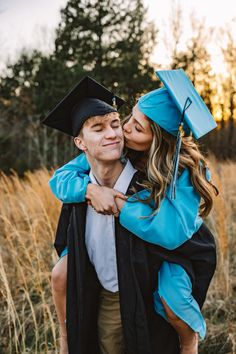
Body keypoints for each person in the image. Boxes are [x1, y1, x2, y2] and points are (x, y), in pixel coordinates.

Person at [44, 72, 217, 354]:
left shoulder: (184, 170)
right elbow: (61, 177)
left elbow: (170, 232)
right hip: (135, 256)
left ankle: (189, 341)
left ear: (156, 140)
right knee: (62, 272)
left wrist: (118, 204)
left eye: (134, 127)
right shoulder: (123, 152)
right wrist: (91, 191)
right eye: (128, 119)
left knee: (172, 300)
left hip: (182, 245)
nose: (122, 130)